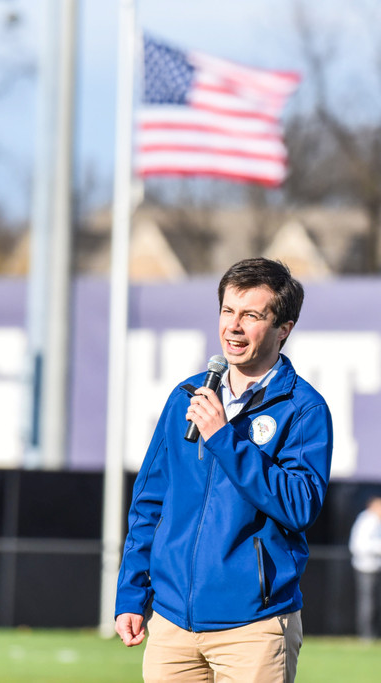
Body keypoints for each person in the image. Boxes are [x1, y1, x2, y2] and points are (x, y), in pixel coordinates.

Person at [114, 258, 333, 683]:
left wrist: (224, 440)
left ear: (283, 328)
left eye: (251, 315)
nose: (234, 326)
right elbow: (149, 505)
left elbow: (300, 505)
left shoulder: (304, 409)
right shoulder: (187, 398)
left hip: (253, 625)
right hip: (172, 622)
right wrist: (131, 593)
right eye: (228, 311)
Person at [349, 496, 381, 641]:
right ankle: (366, 635)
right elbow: (358, 546)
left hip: (380, 567)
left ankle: (377, 633)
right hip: (366, 568)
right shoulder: (366, 522)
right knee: (368, 604)